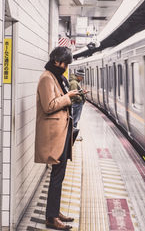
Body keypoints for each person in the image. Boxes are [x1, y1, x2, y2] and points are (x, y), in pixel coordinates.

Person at [34, 46, 80, 230]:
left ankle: (55, 211)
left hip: (62, 132)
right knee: (56, 176)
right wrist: (68, 97)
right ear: (56, 61)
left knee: (59, 176)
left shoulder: (56, 76)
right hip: (54, 134)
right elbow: (49, 105)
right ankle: (51, 217)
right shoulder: (46, 77)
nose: (66, 67)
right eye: (65, 63)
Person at [69, 69, 88, 141]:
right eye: (82, 77)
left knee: (75, 120)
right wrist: (80, 99)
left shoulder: (75, 82)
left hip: (76, 104)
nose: (82, 79)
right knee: (74, 120)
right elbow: (74, 94)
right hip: (76, 104)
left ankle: (73, 136)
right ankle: (73, 136)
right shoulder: (74, 83)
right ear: (79, 76)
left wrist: (82, 92)